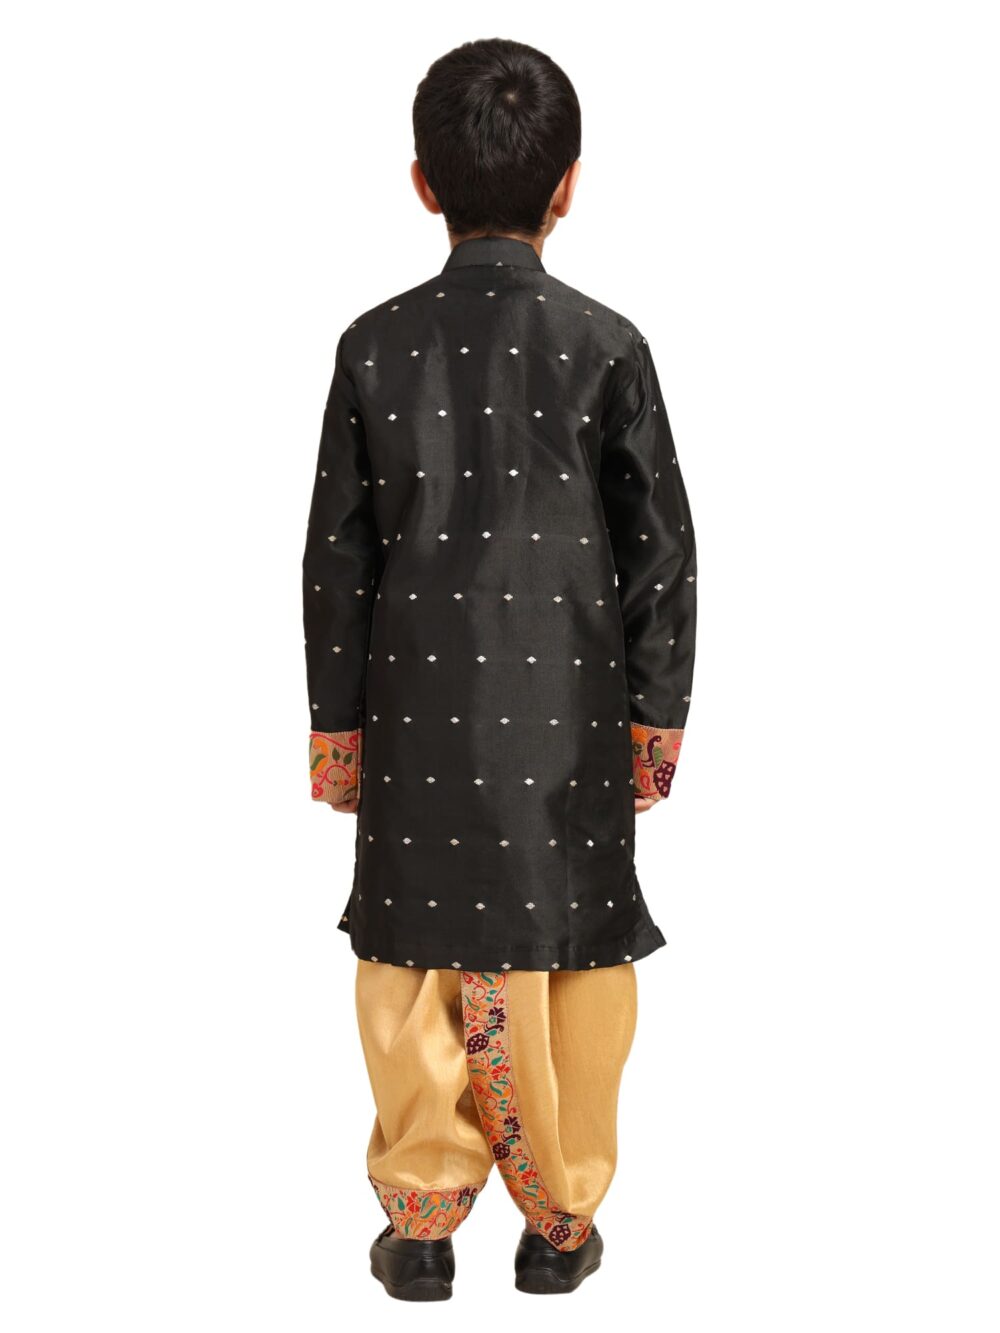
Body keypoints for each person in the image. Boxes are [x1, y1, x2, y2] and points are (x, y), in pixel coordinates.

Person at [302, 36, 697, 1300]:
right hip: (566, 716)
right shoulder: (606, 344)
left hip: (416, 713)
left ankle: (421, 1227)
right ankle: (558, 1221)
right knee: (569, 943)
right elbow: (661, 551)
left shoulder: (375, 345)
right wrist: (654, 723)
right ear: (567, 185)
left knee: (412, 951)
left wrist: (337, 732)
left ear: (422, 181)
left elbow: (335, 559)